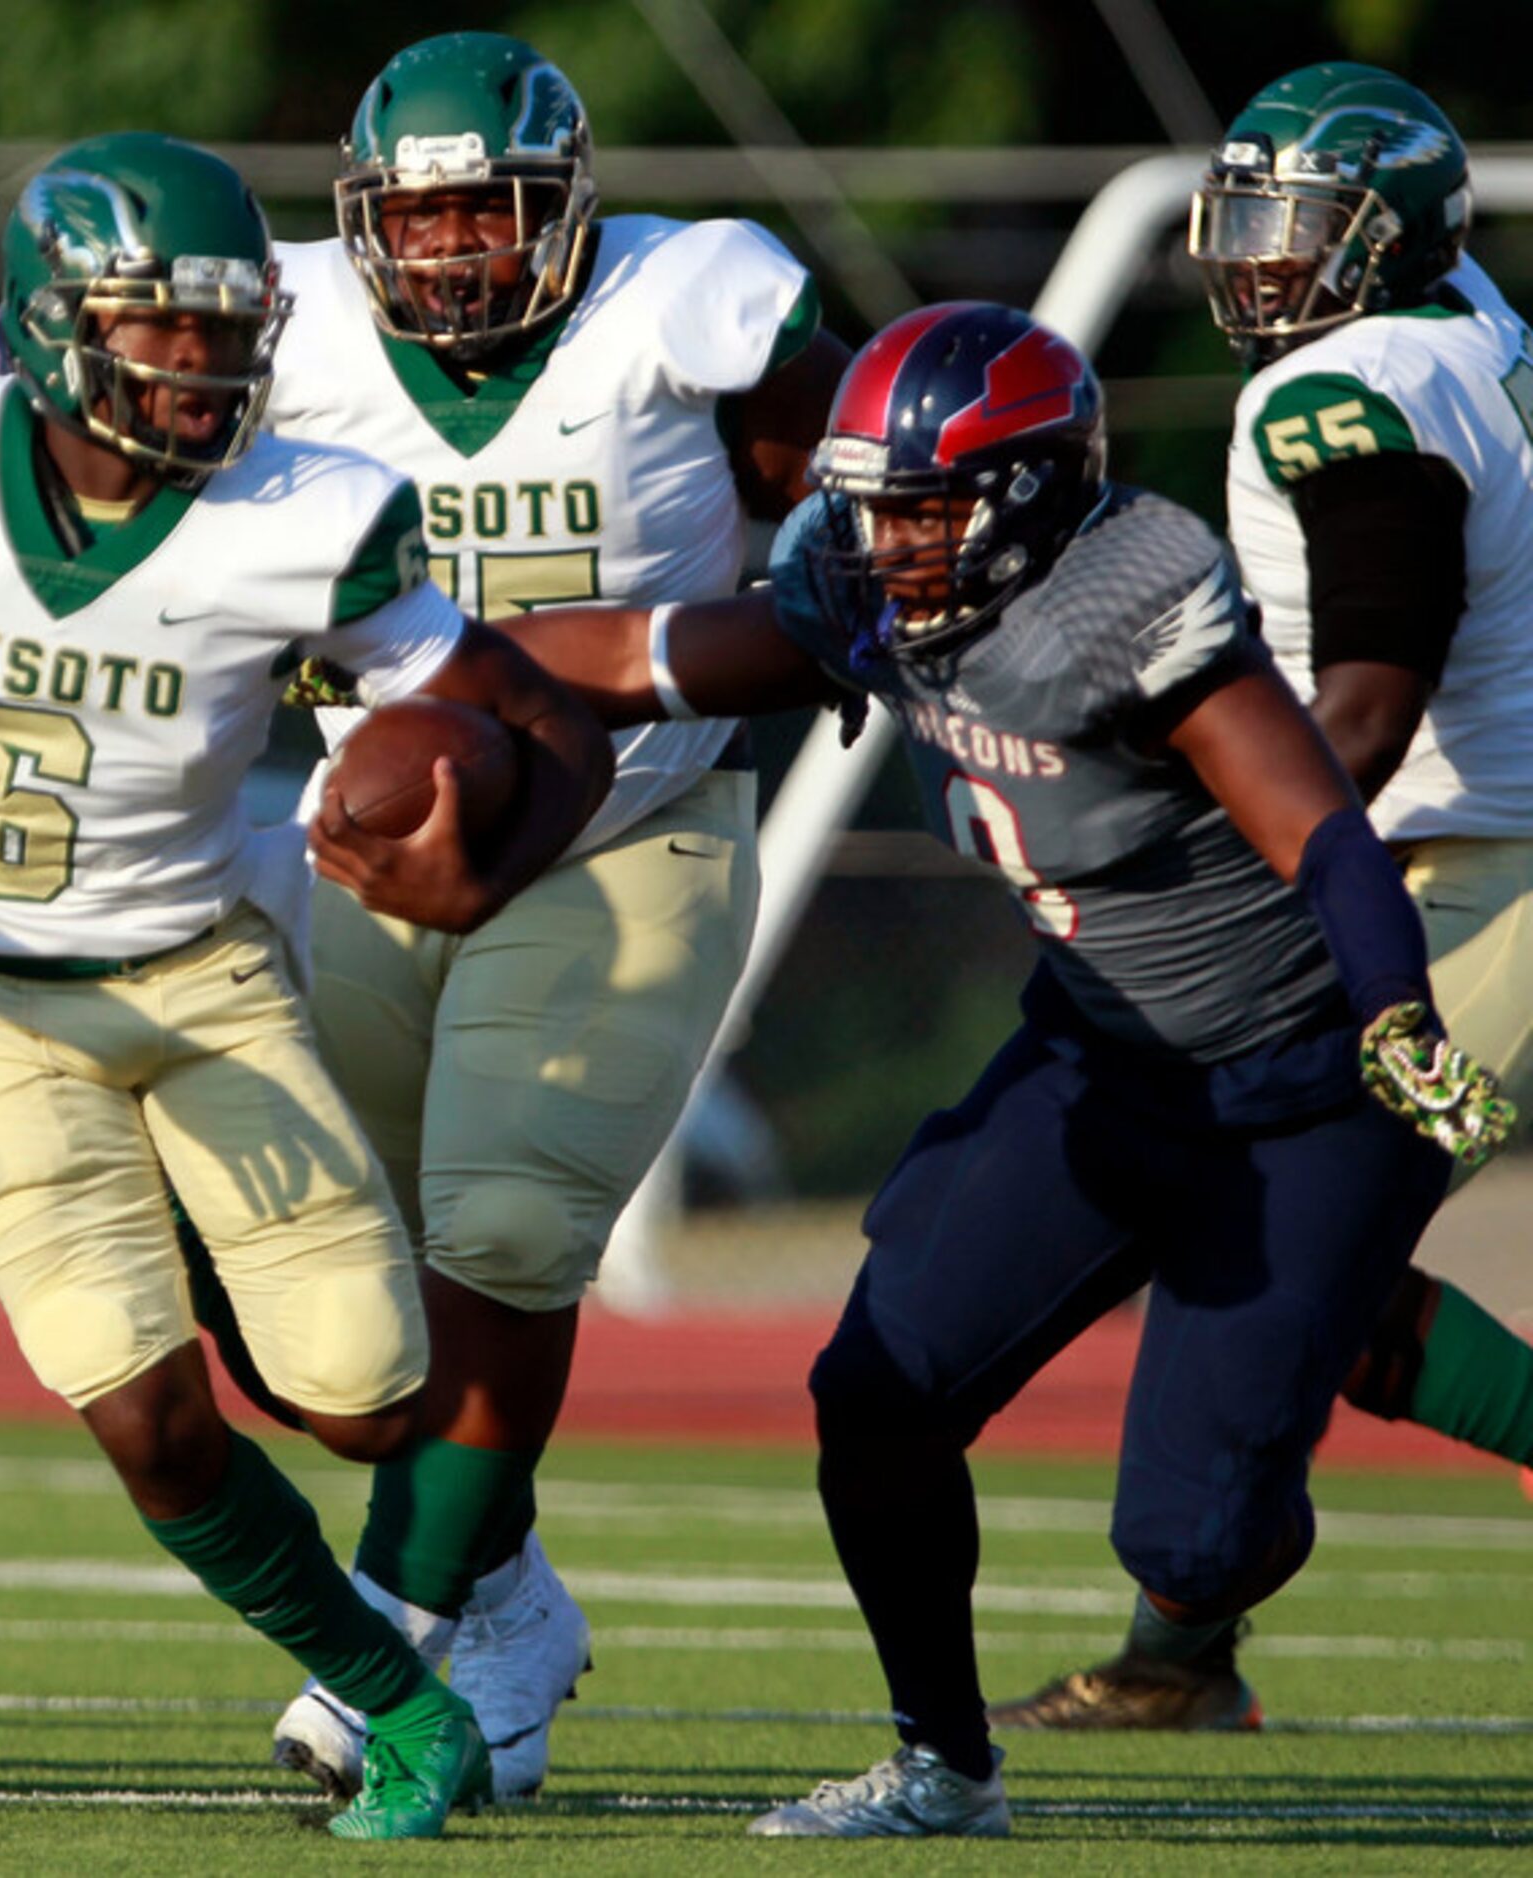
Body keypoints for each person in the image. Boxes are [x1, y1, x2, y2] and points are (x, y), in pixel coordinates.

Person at [0, 132, 610, 1839]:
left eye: (228, 326)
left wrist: (482, 864)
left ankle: (502, 1578)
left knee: (365, 1397)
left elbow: (551, 721)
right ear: (55, 318)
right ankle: (403, 1709)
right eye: (162, 325)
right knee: (150, 1422)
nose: (201, 362)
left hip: (202, 984)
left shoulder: (305, 515)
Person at [505, 299, 1509, 1835]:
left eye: (919, 506)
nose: (882, 536)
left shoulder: (1122, 606)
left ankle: (1260, 1444)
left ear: (1029, 493)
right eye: (866, 500)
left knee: (1193, 1544)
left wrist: (1391, 1009)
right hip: (1098, 1065)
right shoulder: (860, 592)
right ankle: (938, 1760)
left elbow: (1319, 828)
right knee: (876, 1392)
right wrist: (413, 655)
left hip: (1295, 1087)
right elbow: (647, 658)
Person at [251, 30, 848, 1802]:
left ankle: (396, 1627)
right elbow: (43, 418)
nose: (449, 250)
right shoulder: (278, 322)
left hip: (627, 831)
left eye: (486, 211)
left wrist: (820, 612)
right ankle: (507, 1599)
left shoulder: (688, 299)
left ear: (569, 211)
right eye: (416, 218)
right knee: (335, 1302)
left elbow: (845, 466)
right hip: (368, 831)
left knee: (506, 1227)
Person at [990, 62, 1533, 1733]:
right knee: (1266, 1229)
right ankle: (1180, 1636)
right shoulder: (1466, 324)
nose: (1254, 259)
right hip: (1471, 845)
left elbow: (1366, 695)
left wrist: (1218, 850)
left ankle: (1179, 1637)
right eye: (1245, 220)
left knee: (1270, 1221)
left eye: (1298, 226)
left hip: (1470, 865)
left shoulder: (1344, 388)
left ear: (1391, 237)